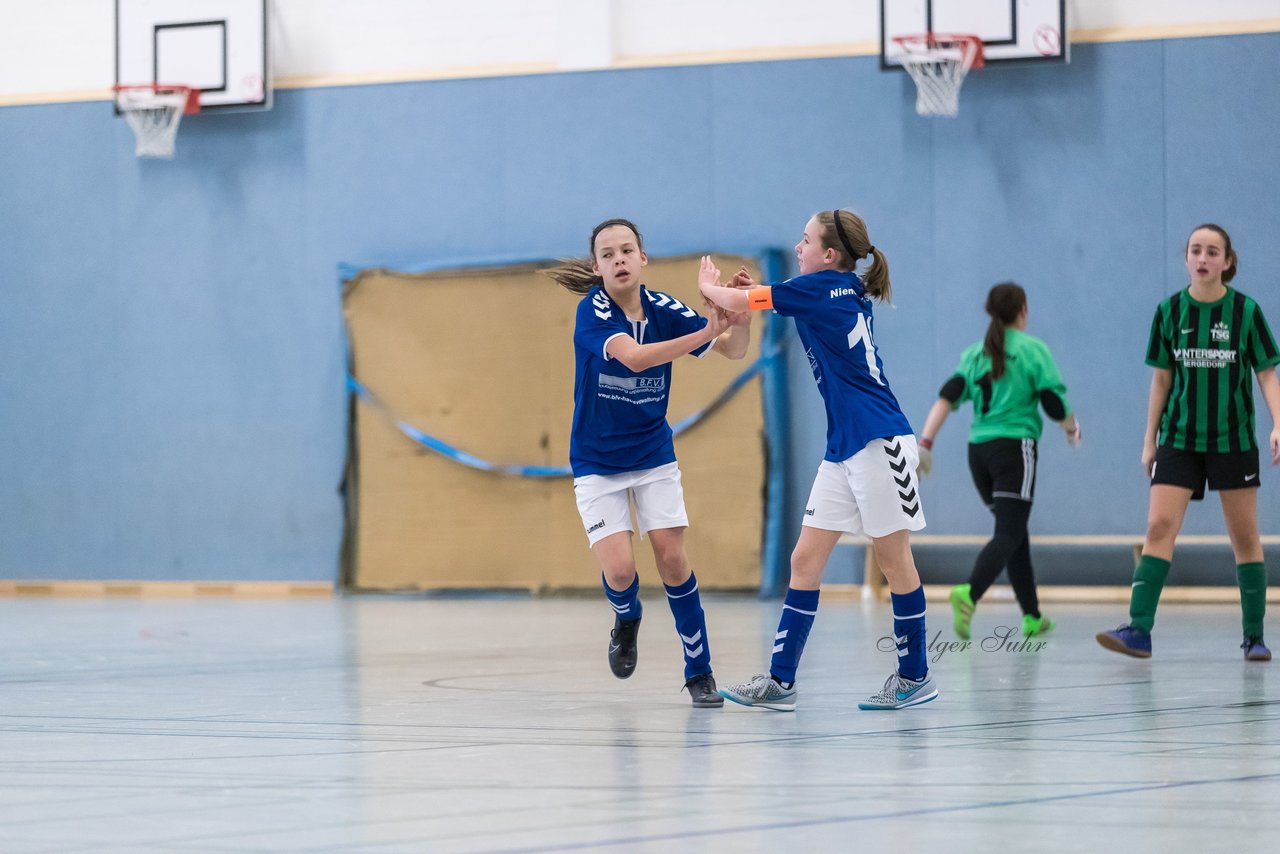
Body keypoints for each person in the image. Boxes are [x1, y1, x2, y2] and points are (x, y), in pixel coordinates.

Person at [698, 209, 937, 711]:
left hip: (880, 440)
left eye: (804, 240)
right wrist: (754, 293)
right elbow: (768, 300)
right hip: (844, 446)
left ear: (829, 255)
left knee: (894, 560)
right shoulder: (834, 288)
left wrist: (711, 286)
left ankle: (915, 675)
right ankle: (780, 680)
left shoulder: (822, 286)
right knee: (805, 559)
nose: (798, 246)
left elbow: (738, 302)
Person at [548, 218, 751, 706]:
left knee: (672, 556)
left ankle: (699, 671)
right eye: (608, 254)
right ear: (597, 267)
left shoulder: (663, 307)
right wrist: (706, 328)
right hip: (597, 459)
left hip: (652, 451)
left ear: (644, 258)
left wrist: (738, 320)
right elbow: (636, 359)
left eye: (626, 250)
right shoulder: (591, 311)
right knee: (619, 571)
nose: (618, 259)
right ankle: (627, 615)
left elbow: (733, 351)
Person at [1097, 223, 1280, 660]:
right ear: (1186, 258)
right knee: (1159, 527)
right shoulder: (1169, 312)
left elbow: (1266, 373)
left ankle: (1254, 636)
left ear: (1227, 262)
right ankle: (1138, 630)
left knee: (1244, 536)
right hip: (1178, 439)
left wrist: (1278, 423)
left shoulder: (1246, 312)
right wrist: (1149, 441)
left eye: (1212, 252)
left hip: (1232, 440)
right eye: (1196, 250)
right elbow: (1161, 379)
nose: (1203, 258)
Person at [916, 282, 1081, 642]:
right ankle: (970, 593)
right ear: (1023, 310)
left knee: (1013, 532)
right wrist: (1072, 428)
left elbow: (949, 394)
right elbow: (1053, 402)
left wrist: (925, 442)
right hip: (1014, 449)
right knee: (1009, 532)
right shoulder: (1033, 350)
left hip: (979, 453)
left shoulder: (976, 353)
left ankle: (1033, 616)